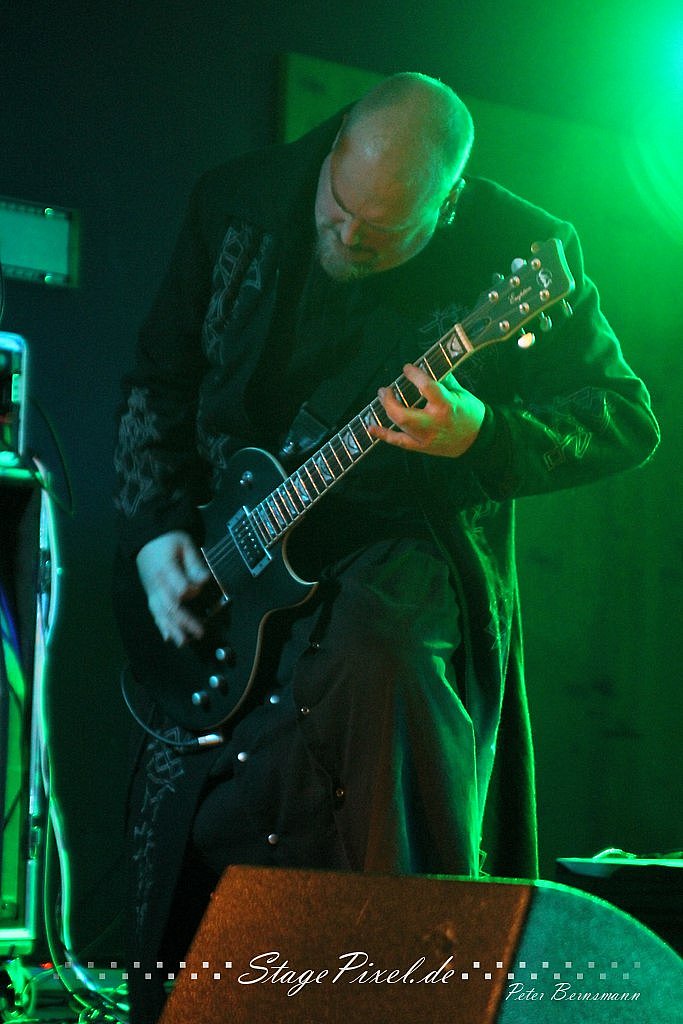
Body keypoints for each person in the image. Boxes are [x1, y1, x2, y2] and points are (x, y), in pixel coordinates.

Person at [113, 72, 659, 1022]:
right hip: (230, 551)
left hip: (407, 552)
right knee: (203, 840)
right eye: (338, 212)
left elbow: (624, 417)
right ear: (331, 151)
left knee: (379, 672)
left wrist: (482, 433)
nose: (351, 239)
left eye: (384, 230)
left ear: (445, 206)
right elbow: (160, 378)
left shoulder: (524, 251)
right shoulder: (238, 198)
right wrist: (157, 531)